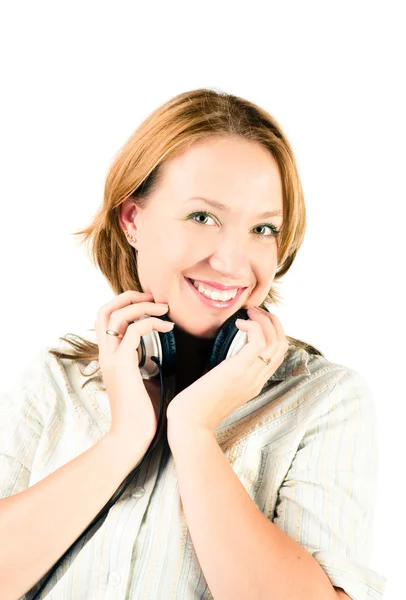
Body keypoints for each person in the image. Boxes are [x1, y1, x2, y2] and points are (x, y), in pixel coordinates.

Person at [0, 88, 387, 600]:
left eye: (262, 228)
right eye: (203, 217)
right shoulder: (57, 380)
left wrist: (195, 433)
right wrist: (125, 438)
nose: (232, 261)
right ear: (133, 219)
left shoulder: (325, 400)